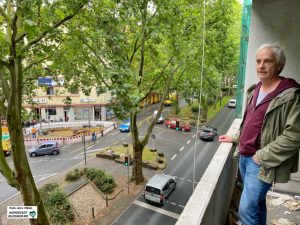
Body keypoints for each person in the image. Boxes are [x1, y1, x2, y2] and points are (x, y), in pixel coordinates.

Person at [219, 43, 300, 225]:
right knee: (257, 204)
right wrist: (236, 139)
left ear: (279, 65)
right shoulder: (255, 90)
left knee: (246, 211)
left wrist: (261, 157)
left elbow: (294, 136)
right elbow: (251, 123)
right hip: (245, 157)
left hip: (261, 162)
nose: (261, 66)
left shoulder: (290, 95)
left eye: (267, 61)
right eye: (258, 61)